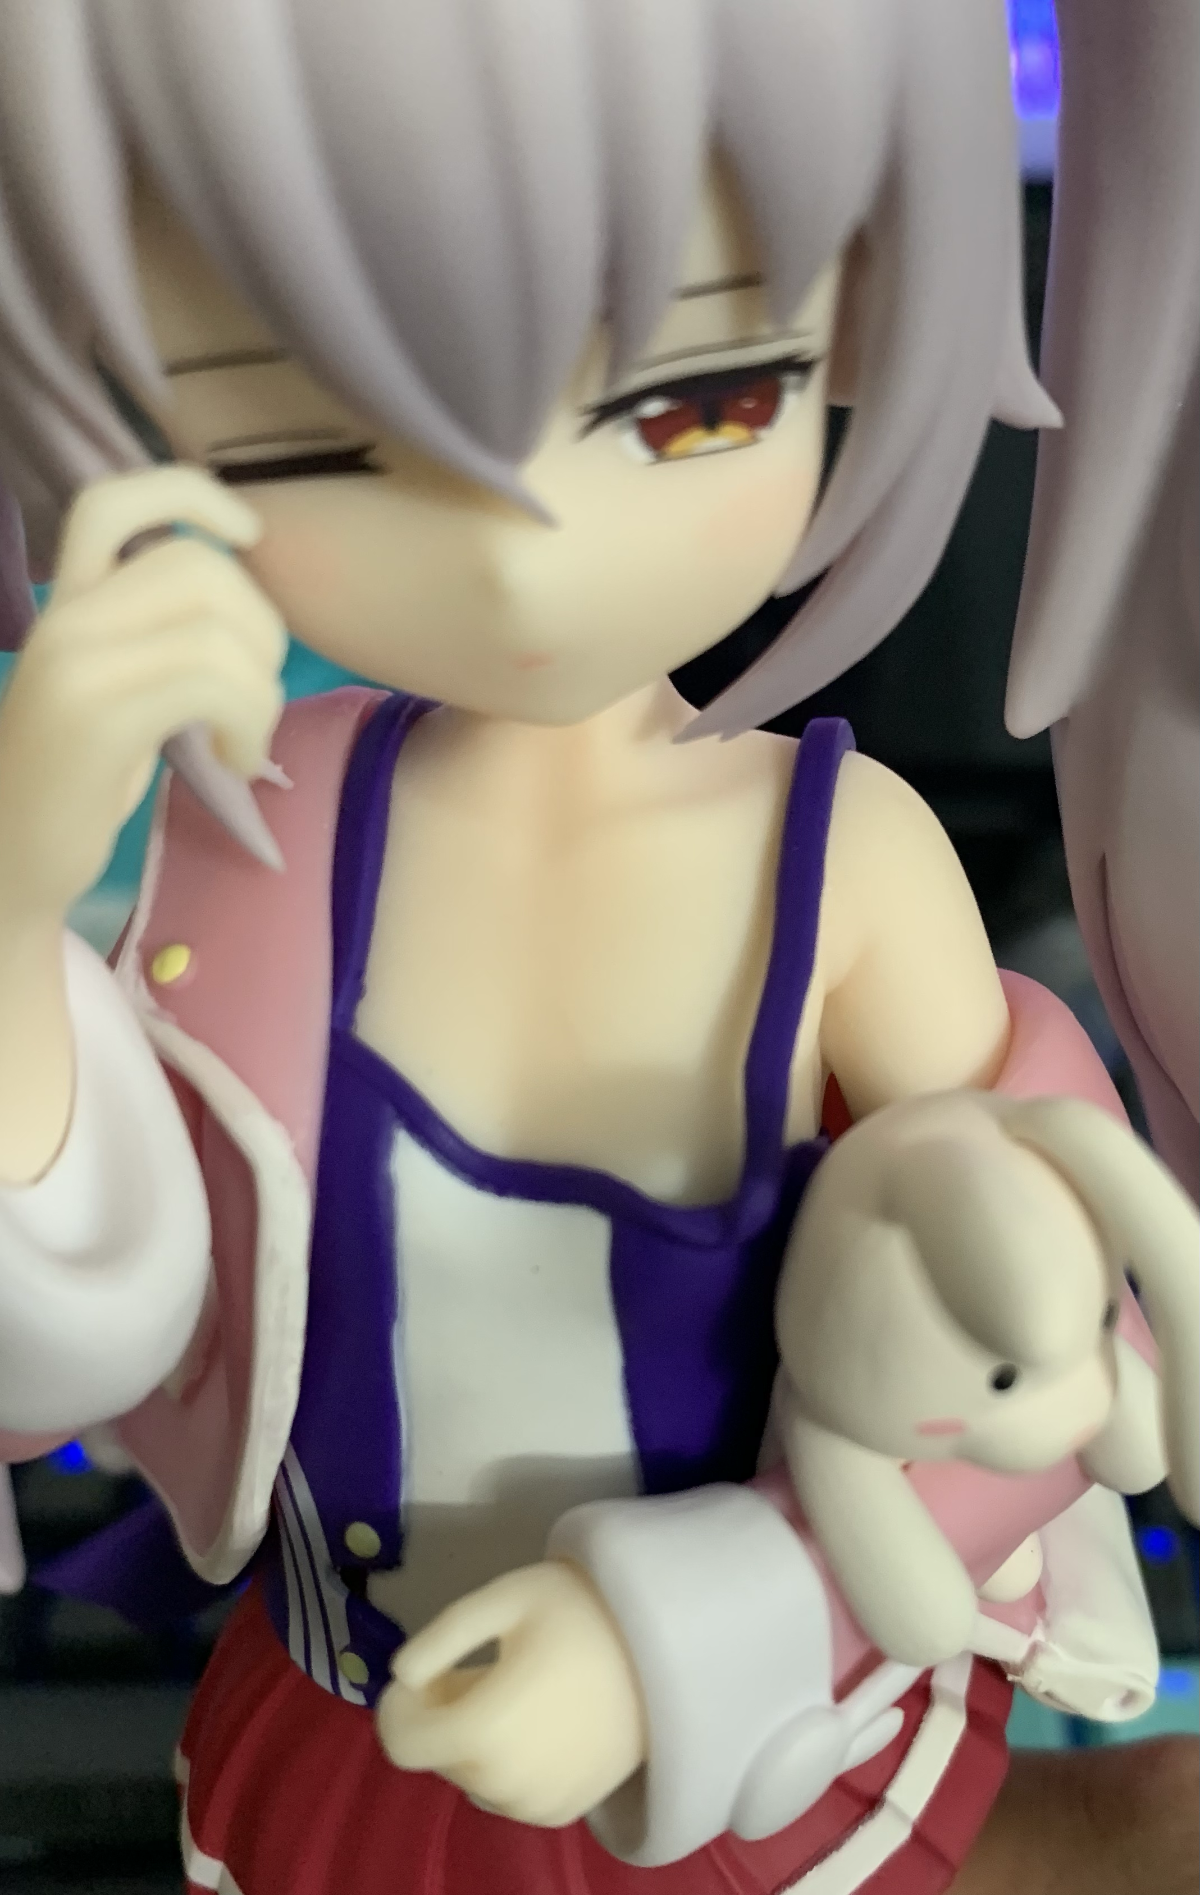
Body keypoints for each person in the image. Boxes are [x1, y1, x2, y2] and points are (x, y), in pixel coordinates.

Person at [0, 5, 1194, 1891]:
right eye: (321, 439)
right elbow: (79, 1347)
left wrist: (676, 1638)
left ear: (859, 311)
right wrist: (13, 901)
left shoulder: (845, 864)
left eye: (694, 404)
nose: (521, 554)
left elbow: (1050, 1355)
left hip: (765, 1748)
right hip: (345, 1742)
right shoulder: (249, 833)